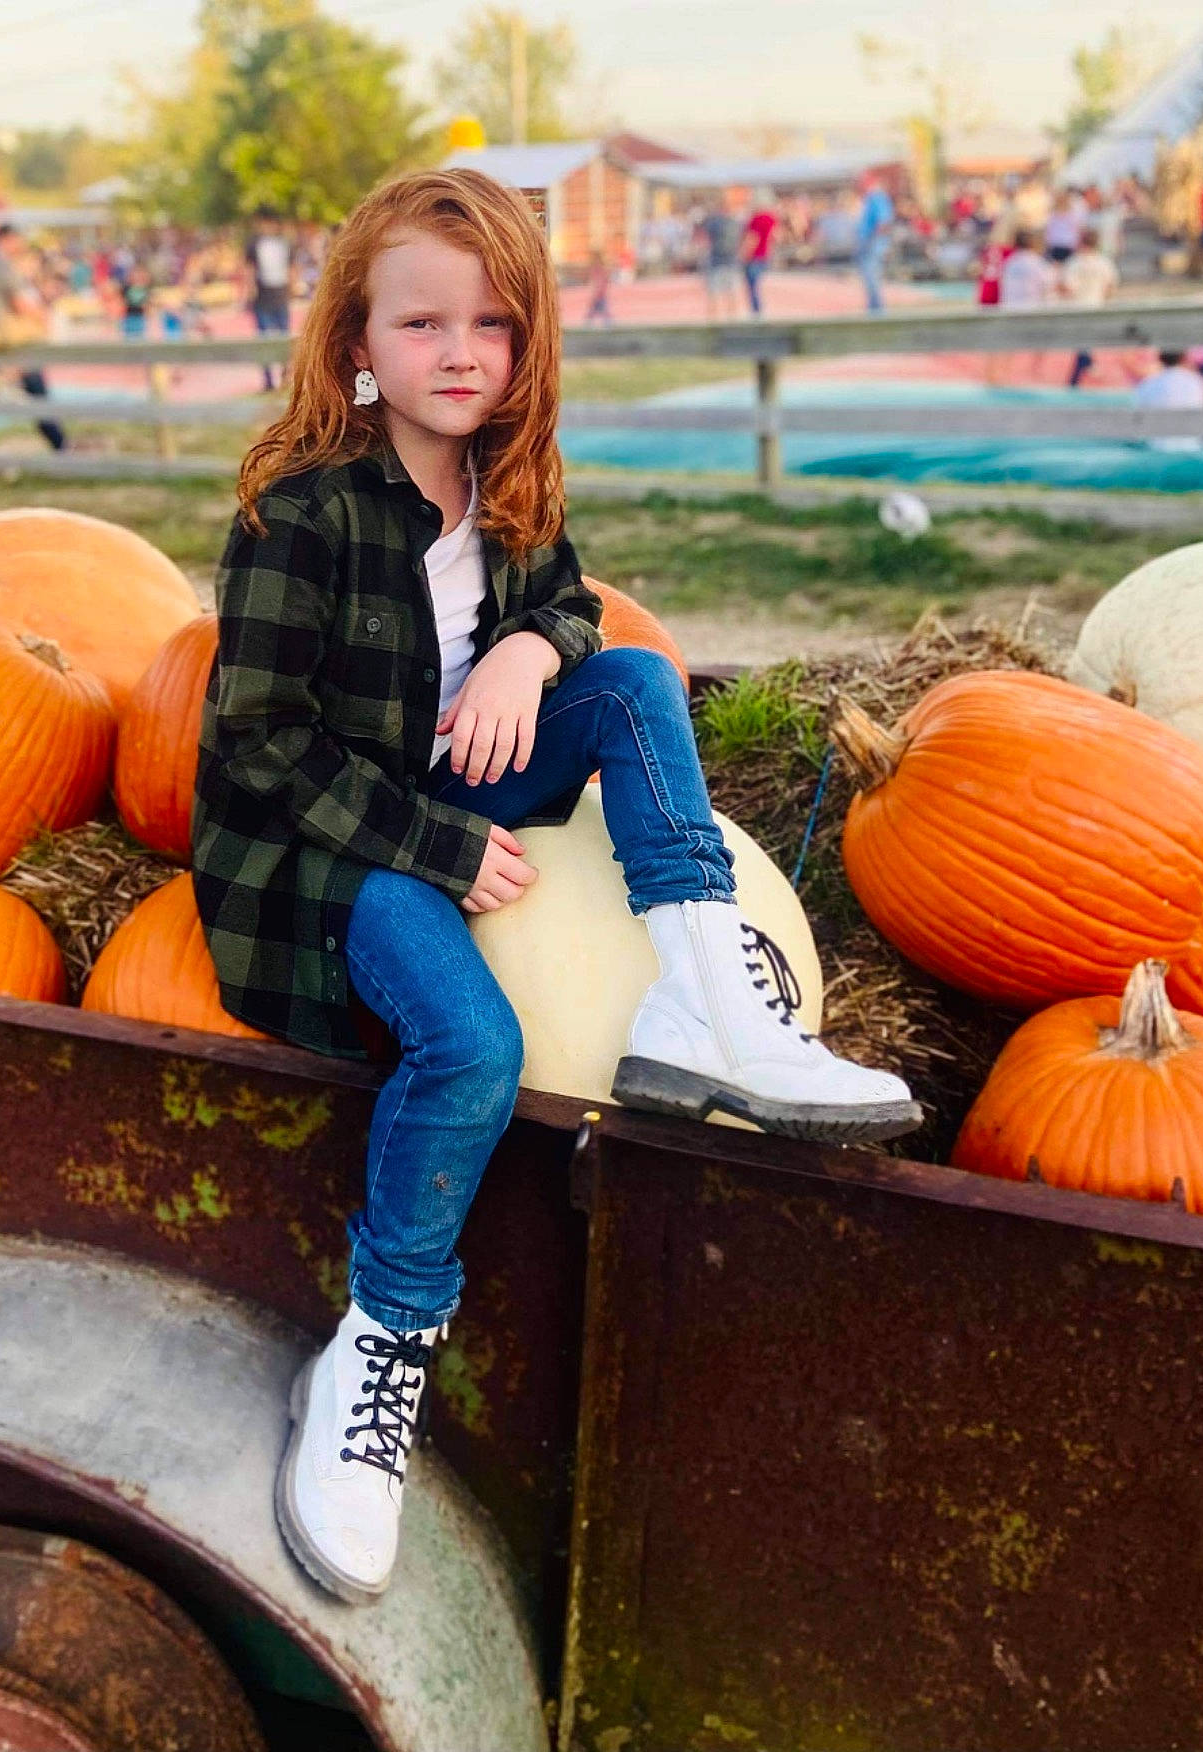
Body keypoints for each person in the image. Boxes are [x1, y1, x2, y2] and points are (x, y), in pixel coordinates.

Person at [193, 167, 919, 1607]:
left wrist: (534, 650)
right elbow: (256, 745)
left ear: (528, 344)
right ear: (357, 338)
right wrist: (446, 850)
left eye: (495, 325)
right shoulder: (303, 517)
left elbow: (572, 602)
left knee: (637, 677)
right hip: (343, 847)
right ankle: (375, 1353)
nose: (461, 354)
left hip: (466, 783)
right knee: (475, 1046)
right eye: (423, 323)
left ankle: (716, 1010)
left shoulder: (505, 480)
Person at [0, 222, 65, 451]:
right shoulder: (0, 264)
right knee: (41, 334)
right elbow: (22, 305)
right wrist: (44, 316)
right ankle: (5, 373)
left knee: (31, 361)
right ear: (8, 239)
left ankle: (9, 372)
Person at [1060, 227, 1119, 387]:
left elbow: (1067, 288)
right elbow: (1110, 287)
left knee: (1082, 344)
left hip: (1078, 307)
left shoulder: (1074, 262)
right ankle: (1081, 372)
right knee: (1086, 344)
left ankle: (1076, 378)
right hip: (1096, 305)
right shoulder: (1104, 262)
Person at [247, 207, 294, 390]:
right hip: (262, 296)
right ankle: (268, 380)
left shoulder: (284, 244)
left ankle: (285, 376)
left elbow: (291, 267)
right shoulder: (254, 245)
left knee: (284, 338)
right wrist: (249, 290)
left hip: (280, 294)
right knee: (264, 338)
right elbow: (250, 269)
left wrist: (291, 288)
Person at [1132, 348, 1203, 452]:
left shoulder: (1147, 384)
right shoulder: (1195, 382)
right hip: (1191, 447)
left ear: (1160, 358)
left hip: (1158, 448)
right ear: (1184, 357)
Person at [854, 172, 895, 313]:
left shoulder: (877, 198)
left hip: (873, 244)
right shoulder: (870, 199)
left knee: (872, 277)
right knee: (869, 278)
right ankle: (874, 309)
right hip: (870, 243)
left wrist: (872, 240)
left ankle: (877, 311)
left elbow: (884, 222)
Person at [701, 194, 743, 321]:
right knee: (730, 294)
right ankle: (731, 323)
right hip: (729, 262)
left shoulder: (714, 222)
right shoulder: (736, 222)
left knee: (716, 295)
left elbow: (704, 239)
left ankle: (714, 323)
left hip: (719, 262)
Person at [741, 188, 777, 316]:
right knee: (759, 287)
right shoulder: (772, 218)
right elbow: (775, 237)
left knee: (753, 288)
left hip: (754, 257)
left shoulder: (756, 219)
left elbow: (752, 239)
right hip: (765, 255)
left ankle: (757, 314)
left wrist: (743, 255)